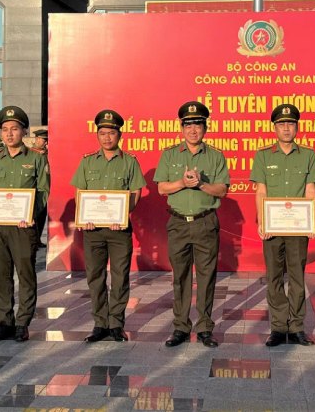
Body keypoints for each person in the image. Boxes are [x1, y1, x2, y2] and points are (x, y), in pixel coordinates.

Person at [154, 101, 229, 348]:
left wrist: (200, 185)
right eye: (188, 125)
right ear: (181, 127)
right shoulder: (170, 154)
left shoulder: (216, 156)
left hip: (205, 222)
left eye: (198, 124)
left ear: (205, 127)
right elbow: (161, 188)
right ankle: (180, 327)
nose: (193, 130)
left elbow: (222, 190)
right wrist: (182, 183)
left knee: (207, 277)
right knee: (181, 277)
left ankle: (205, 327)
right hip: (177, 223)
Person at [250, 104, 315, 347]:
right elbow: (261, 191)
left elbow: (311, 191)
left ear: (297, 127)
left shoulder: (308, 155)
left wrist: (311, 221)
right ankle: (278, 327)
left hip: (298, 229)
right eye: (282, 124)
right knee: (274, 278)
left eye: (290, 123)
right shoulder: (263, 155)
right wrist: (262, 221)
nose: (286, 128)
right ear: (275, 128)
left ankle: (297, 327)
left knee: (297, 277)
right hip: (272, 228)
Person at [71, 109, 146, 343]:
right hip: (93, 230)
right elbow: (79, 193)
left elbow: (136, 192)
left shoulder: (130, 162)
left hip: (119, 230)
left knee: (120, 276)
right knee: (95, 276)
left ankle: (116, 323)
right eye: (102, 133)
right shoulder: (87, 162)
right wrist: (85, 215)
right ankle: (100, 323)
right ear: (97, 135)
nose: (106, 137)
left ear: (119, 135)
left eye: (111, 133)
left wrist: (123, 214)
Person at [0, 106, 49, 343]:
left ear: (24, 131)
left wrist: (31, 214)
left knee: (26, 274)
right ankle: (4, 322)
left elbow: (43, 191)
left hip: (23, 226)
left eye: (14, 129)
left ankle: (23, 322)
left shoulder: (36, 159)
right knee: (0, 276)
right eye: (5, 130)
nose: (9, 134)